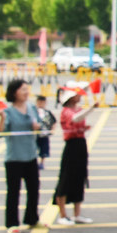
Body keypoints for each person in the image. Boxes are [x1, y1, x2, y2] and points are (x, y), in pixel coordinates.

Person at [0, 79, 42, 233]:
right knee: (14, 192)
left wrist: (37, 127)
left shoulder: (31, 108)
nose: (26, 92)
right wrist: (2, 118)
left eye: (27, 89)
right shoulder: (8, 111)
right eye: (23, 89)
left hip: (31, 155)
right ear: (14, 92)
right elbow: (0, 133)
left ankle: (32, 219)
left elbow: (40, 125)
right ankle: (12, 223)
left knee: (34, 189)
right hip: (14, 158)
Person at [54, 82, 95, 225]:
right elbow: (75, 119)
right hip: (71, 146)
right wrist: (91, 109)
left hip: (80, 144)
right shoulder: (66, 111)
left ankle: (77, 214)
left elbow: (78, 121)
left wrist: (83, 129)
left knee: (79, 178)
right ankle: (62, 215)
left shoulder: (78, 109)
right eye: (77, 94)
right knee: (66, 179)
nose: (80, 96)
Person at [35, 94, 56, 169]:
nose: (40, 104)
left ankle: (42, 163)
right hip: (35, 134)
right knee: (34, 149)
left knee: (44, 149)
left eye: (42, 102)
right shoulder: (33, 111)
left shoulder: (47, 112)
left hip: (44, 134)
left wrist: (52, 130)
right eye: (39, 102)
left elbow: (53, 121)